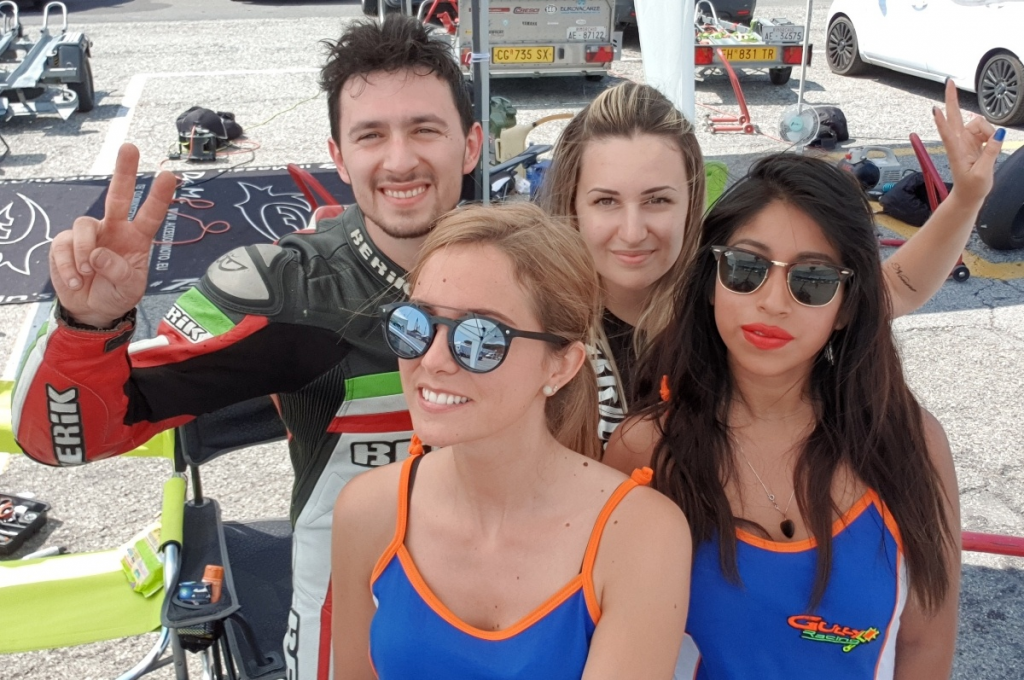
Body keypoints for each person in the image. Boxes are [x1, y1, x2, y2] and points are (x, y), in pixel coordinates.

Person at [12, 16, 482, 679]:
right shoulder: (287, 289)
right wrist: (90, 325)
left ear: (470, 144)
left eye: (425, 129)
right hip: (353, 628)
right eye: (371, 134)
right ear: (338, 155)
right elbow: (66, 441)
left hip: (523, 610)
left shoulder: (537, 274)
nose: (400, 160)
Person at [606, 154, 961, 679]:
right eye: (746, 269)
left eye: (812, 280)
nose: (773, 302)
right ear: (711, 282)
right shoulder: (646, 449)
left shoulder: (909, 442)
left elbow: (926, 648)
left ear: (846, 306)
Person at [331, 202, 690, 679]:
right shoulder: (367, 512)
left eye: (480, 337)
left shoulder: (641, 534)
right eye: (415, 324)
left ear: (561, 366)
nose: (433, 360)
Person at [538, 79, 1003, 444]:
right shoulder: (535, 312)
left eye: (657, 200)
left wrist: (966, 198)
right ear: (573, 204)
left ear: (691, 201)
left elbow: (895, 288)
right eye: (605, 201)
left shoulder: (730, 285)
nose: (633, 230)